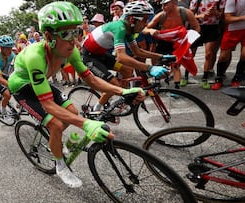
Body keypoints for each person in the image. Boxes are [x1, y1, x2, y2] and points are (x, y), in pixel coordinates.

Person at [8, 1, 145, 188]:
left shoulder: (69, 49)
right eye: (66, 33)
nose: (74, 39)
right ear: (48, 36)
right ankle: (61, 166)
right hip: (22, 87)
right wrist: (87, 124)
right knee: (56, 124)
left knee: (73, 112)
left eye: (76, 31)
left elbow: (90, 79)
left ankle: (54, 143)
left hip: (39, 84)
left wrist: (122, 90)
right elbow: (48, 105)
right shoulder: (35, 56)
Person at [82, 1, 169, 112]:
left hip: (100, 54)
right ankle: (97, 108)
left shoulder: (128, 30)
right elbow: (121, 57)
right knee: (115, 84)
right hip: (89, 57)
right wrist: (150, 68)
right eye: (144, 20)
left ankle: (119, 100)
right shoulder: (120, 28)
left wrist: (161, 56)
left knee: (128, 70)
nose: (147, 24)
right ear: (133, 20)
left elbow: (138, 51)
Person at [143, 0, 200, 92]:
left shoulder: (185, 13)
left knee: (175, 65)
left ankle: (176, 89)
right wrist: (151, 31)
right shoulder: (161, 15)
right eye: (162, 5)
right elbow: (145, 29)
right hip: (163, 42)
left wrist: (189, 39)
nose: (163, 7)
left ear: (174, 2)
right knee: (158, 64)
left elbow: (196, 27)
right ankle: (157, 84)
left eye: (166, 4)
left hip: (178, 42)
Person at [189, 0, 226, 89]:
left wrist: (216, 13)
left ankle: (205, 78)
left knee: (209, 54)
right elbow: (189, 16)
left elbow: (223, 16)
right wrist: (201, 15)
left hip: (212, 27)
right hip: (198, 27)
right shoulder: (196, 1)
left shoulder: (220, 1)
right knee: (191, 53)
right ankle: (186, 76)